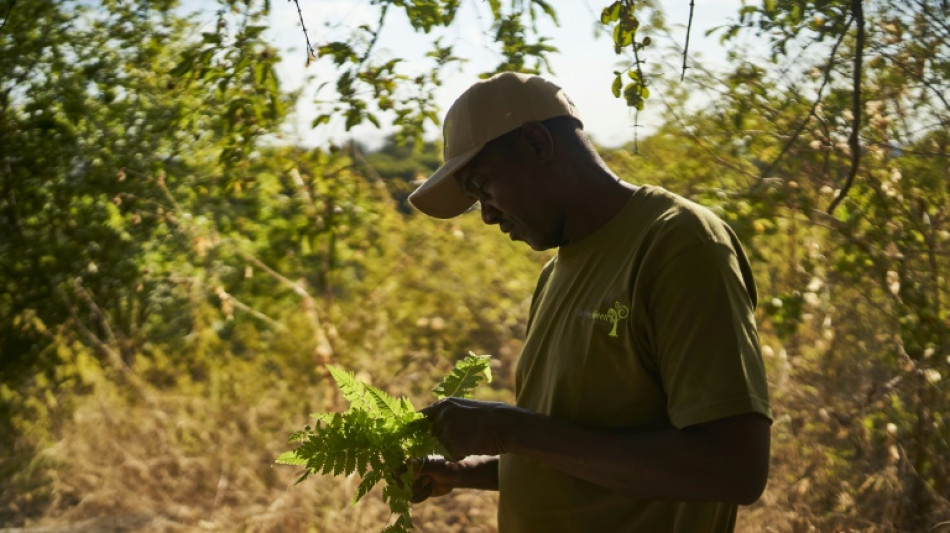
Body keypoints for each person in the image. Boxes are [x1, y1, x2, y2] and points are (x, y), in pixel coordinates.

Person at [406, 72, 772, 532]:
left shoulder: (679, 244)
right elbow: (580, 452)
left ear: (536, 144)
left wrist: (507, 429)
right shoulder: (554, 275)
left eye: (483, 187)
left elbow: (734, 469)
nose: (486, 215)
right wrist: (466, 472)